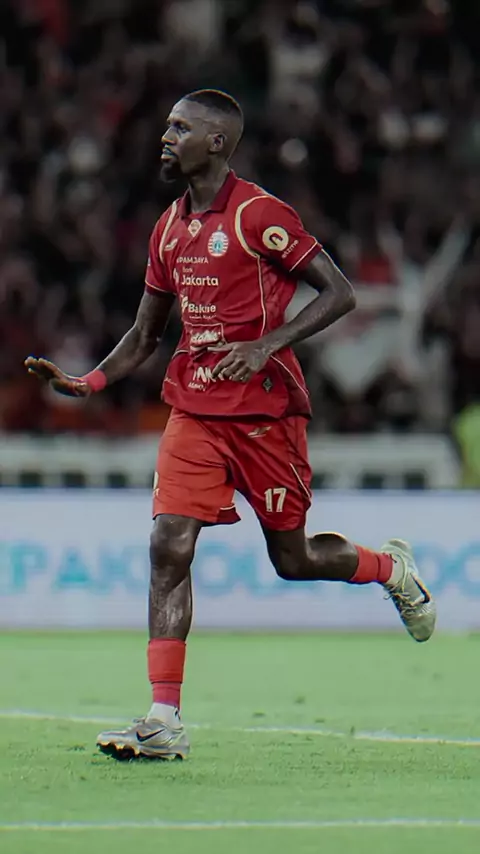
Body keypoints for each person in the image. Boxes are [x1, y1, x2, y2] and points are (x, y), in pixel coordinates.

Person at [25, 89, 436, 761]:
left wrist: (268, 343)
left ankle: (391, 569)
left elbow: (339, 292)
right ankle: (163, 719)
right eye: (167, 126)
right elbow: (145, 334)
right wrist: (88, 382)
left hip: (265, 415)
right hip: (195, 409)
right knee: (169, 544)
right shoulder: (167, 229)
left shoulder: (258, 214)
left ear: (216, 142)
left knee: (293, 559)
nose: (166, 137)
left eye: (179, 127)